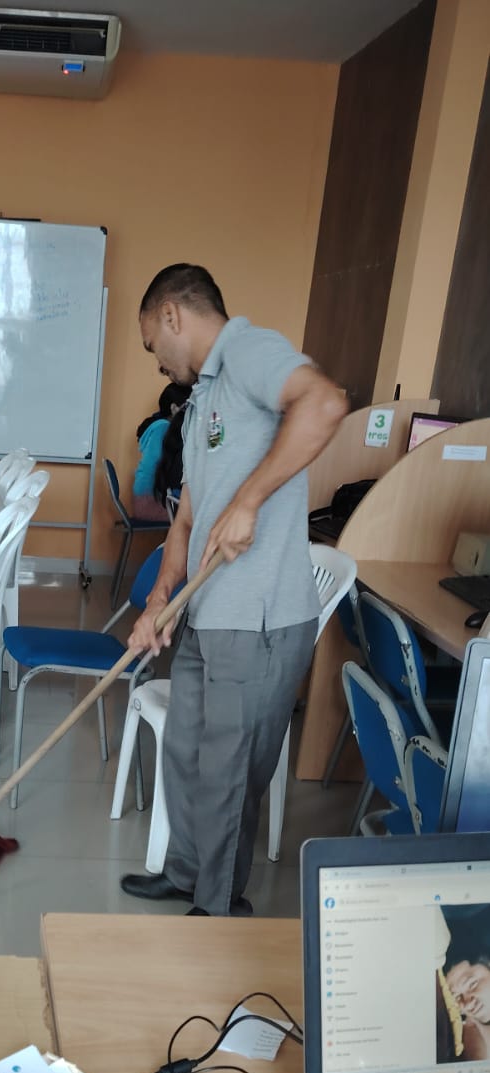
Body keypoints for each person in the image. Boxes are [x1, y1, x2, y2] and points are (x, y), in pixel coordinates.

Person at [120, 263, 348, 917]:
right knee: (186, 750)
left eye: (152, 344)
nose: (156, 362)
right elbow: (187, 519)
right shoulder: (200, 400)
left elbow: (324, 403)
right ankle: (184, 873)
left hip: (259, 620)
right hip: (208, 610)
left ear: (171, 314)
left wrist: (249, 501)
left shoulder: (247, 350)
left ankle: (217, 906)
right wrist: (160, 600)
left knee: (226, 768)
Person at [132, 382, 190, 522]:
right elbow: (153, 466)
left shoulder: (160, 425)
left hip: (152, 498)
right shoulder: (163, 428)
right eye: (187, 407)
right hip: (148, 502)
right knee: (195, 519)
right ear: (174, 408)